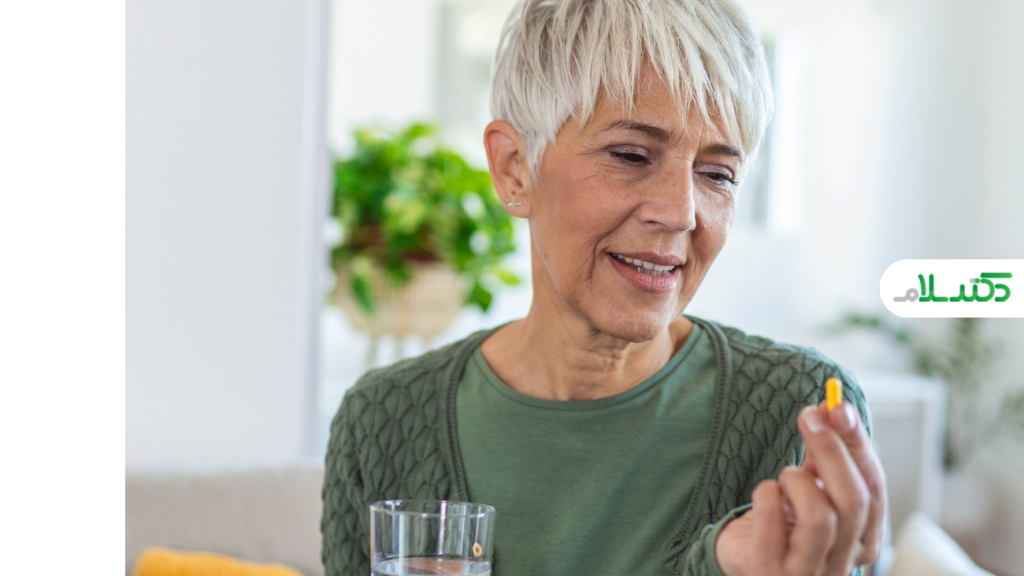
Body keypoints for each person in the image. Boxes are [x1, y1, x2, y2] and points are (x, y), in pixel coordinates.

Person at [321, 0, 886, 574]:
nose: (681, 212)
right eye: (631, 155)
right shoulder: (381, 421)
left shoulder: (801, 411)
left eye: (717, 174)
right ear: (515, 168)